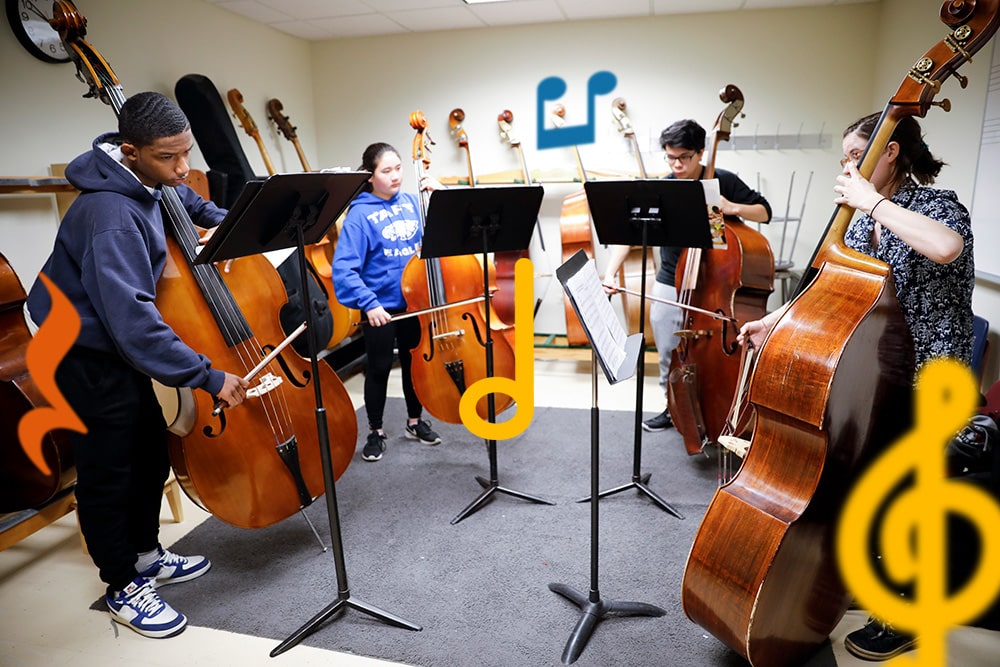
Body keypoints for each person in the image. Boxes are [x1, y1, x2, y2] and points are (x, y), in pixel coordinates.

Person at [738, 112, 975, 661]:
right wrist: (772, 322)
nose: (846, 165)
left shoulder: (933, 207)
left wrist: (872, 202)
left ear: (888, 153)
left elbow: (945, 248)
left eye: (854, 154)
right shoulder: (858, 221)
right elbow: (829, 290)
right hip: (872, 372)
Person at [24, 92, 249, 639]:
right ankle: (123, 583)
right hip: (79, 349)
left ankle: (147, 554)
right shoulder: (109, 214)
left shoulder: (154, 183)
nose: (184, 168)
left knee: (149, 451)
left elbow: (199, 209)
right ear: (130, 151)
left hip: (115, 342)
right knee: (108, 470)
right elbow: (135, 324)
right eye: (170, 158)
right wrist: (208, 375)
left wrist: (231, 226)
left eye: (187, 153)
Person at [602, 118, 771, 432]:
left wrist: (731, 206)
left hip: (716, 286)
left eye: (684, 158)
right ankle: (674, 406)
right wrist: (610, 273)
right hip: (670, 281)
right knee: (669, 350)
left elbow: (764, 211)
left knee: (716, 354)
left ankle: (723, 408)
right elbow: (629, 236)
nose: (676, 165)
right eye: (670, 158)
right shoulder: (664, 188)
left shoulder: (723, 180)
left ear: (701, 153)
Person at [332, 142, 443, 463]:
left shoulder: (412, 202)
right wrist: (369, 304)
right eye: (386, 170)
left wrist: (440, 194)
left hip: (415, 304)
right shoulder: (359, 216)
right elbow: (344, 269)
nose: (395, 176)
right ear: (369, 175)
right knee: (379, 367)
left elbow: (444, 233)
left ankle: (414, 421)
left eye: (398, 168)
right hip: (380, 309)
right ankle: (376, 431)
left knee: (414, 366)